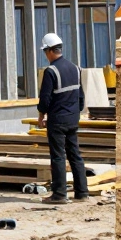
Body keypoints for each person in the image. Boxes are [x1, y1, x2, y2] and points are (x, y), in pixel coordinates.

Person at [37, 32, 88, 204]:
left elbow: (45, 99)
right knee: (75, 155)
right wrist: (76, 112)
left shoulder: (51, 71)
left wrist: (41, 115)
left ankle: (59, 194)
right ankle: (82, 193)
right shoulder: (75, 68)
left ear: (50, 51)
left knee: (58, 156)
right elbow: (81, 96)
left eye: (45, 51)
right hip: (73, 118)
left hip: (57, 120)